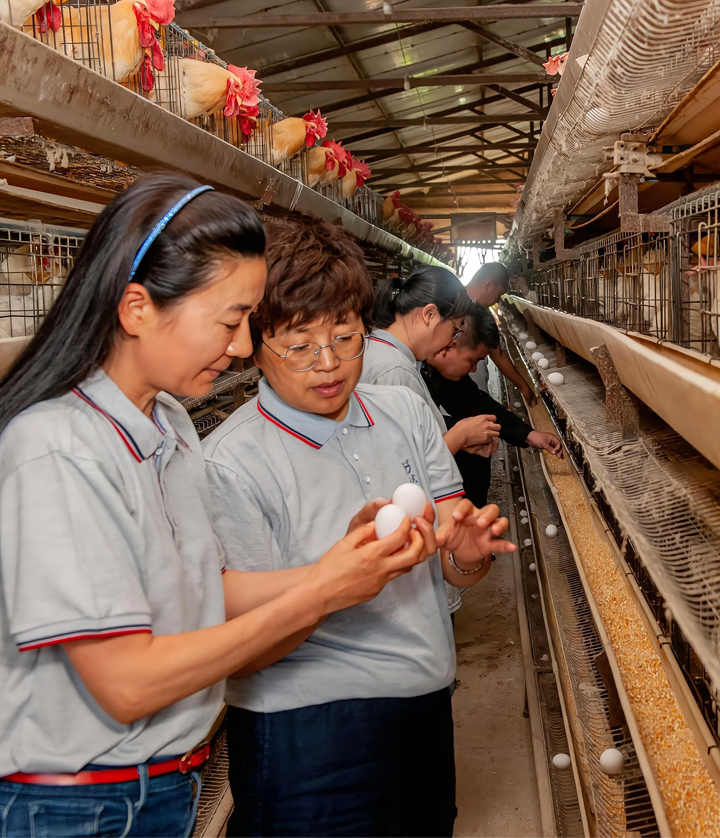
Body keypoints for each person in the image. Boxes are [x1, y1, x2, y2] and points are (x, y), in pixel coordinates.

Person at [0, 175, 436, 838]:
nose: (239, 348)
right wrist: (319, 592)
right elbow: (128, 684)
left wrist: (348, 566)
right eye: (231, 322)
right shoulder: (57, 450)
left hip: (156, 792)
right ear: (138, 308)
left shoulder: (169, 424)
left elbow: (209, 591)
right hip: (61, 812)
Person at [202, 215, 517, 838]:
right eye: (299, 345)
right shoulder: (229, 462)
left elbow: (454, 563)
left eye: (346, 339)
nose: (329, 365)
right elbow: (247, 645)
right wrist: (339, 578)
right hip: (305, 726)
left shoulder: (403, 410)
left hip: (422, 700)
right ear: (253, 342)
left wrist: (468, 551)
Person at [362, 264, 502, 617]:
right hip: (408, 541)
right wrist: (456, 437)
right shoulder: (393, 370)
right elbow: (400, 468)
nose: (452, 343)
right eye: (455, 331)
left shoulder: (395, 358)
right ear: (428, 315)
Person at [423, 303, 564, 507]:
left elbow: (475, 403)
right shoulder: (399, 373)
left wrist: (529, 435)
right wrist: (459, 435)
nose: (473, 370)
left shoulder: (435, 370)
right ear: (452, 342)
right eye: (473, 361)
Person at [465, 261, 536, 406]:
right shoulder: (455, 307)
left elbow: (497, 353)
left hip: (476, 395)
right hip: (457, 400)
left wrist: (522, 385)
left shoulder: (481, 312)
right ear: (488, 285)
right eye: (499, 294)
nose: (497, 301)